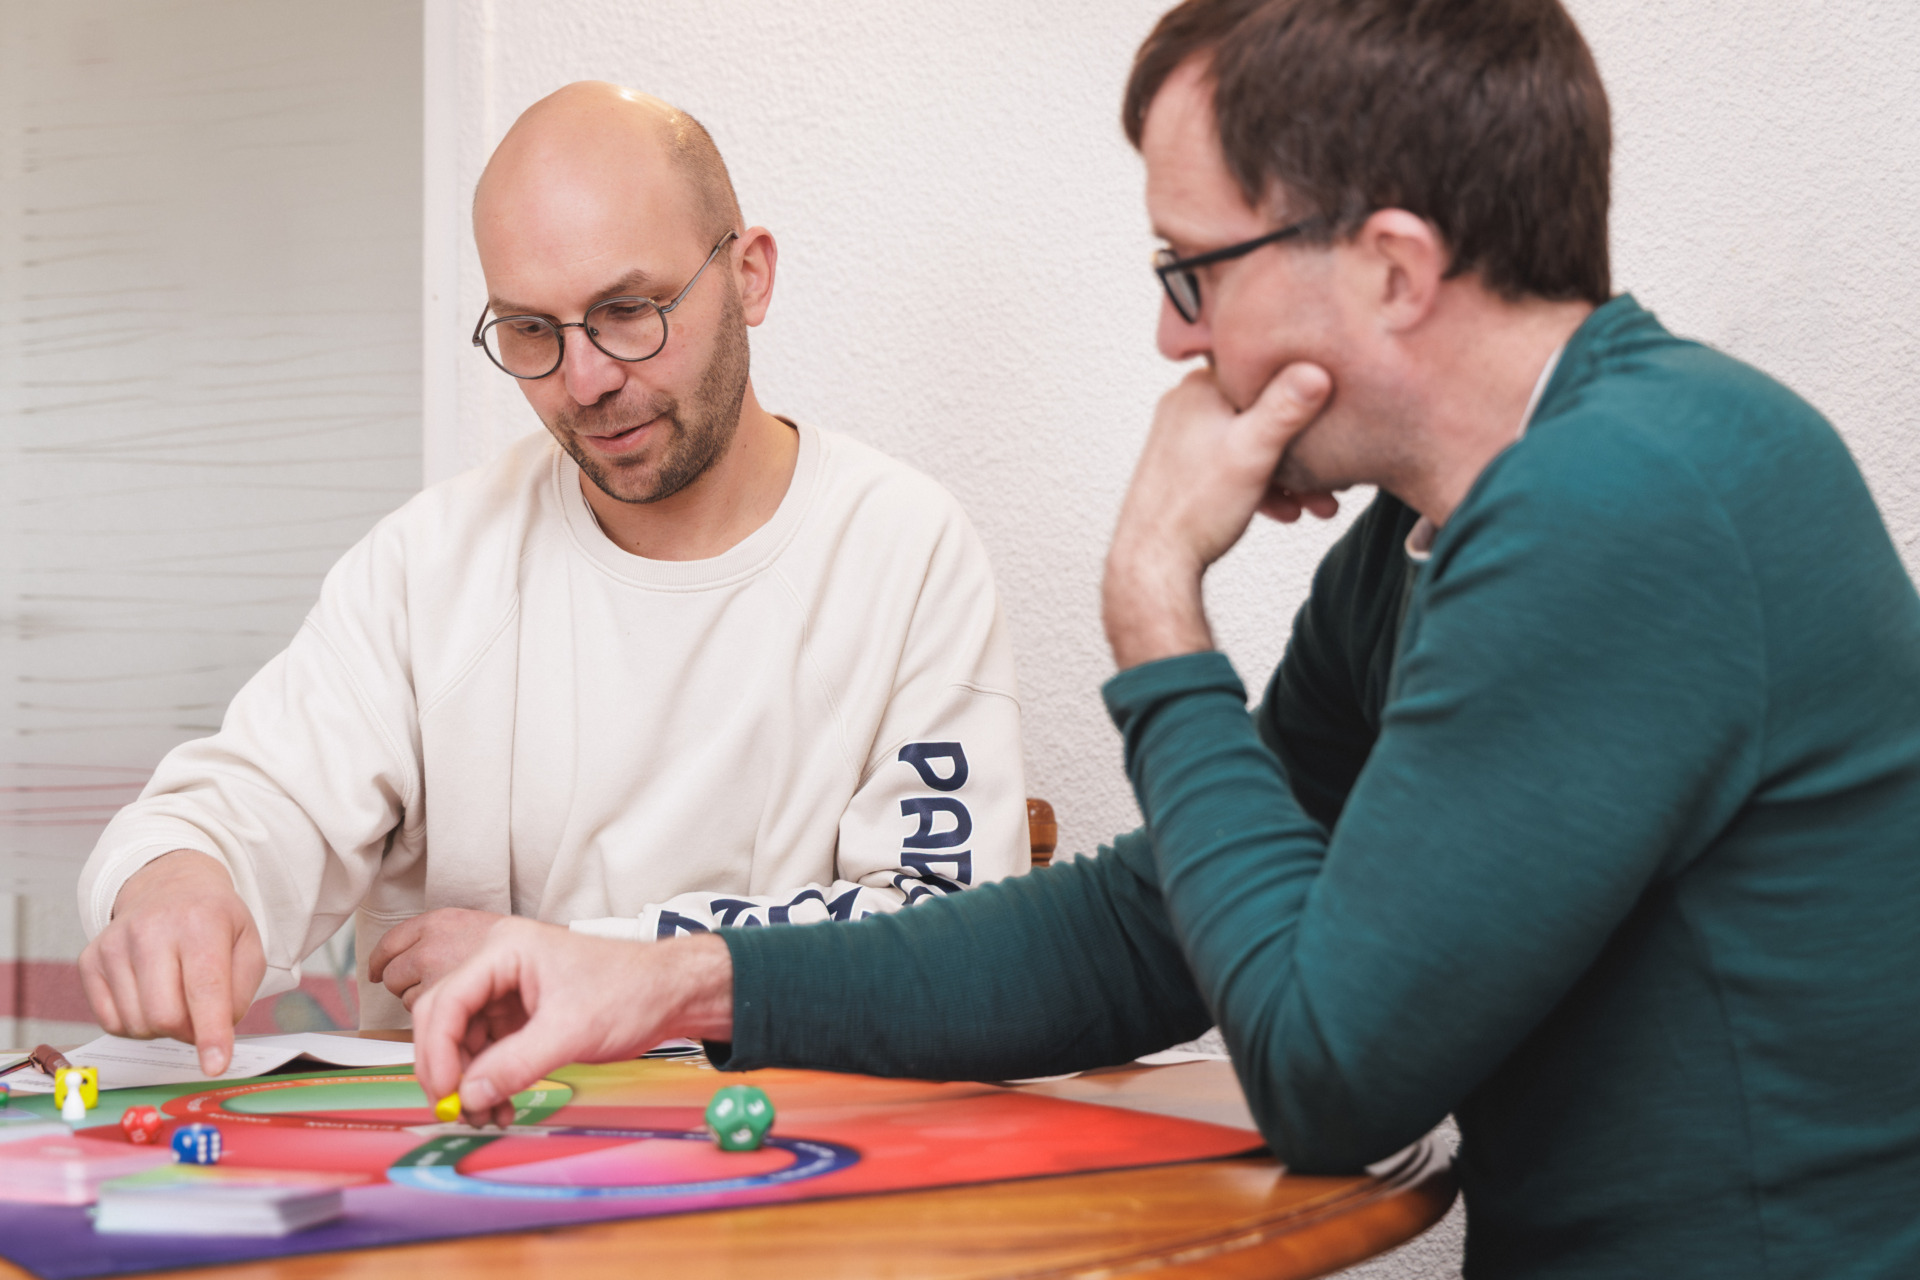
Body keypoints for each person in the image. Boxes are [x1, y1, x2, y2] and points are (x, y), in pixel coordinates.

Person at [416, 3, 1920, 1274]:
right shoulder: (1443, 532)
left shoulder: (1629, 502)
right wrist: (674, 984)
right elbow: (1154, 928)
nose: (1173, 337)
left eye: (1193, 270)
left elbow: (1330, 1075)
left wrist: (1156, 613)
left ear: (1395, 269)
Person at [74, 83, 1029, 1077]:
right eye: (531, 329)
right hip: (468, 1156)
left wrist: (596, 959)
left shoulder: (905, 551)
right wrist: (177, 879)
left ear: (748, 276)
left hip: (797, 1153)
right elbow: (249, 803)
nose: (585, 381)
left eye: (628, 311)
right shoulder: (432, 564)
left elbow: (945, 941)